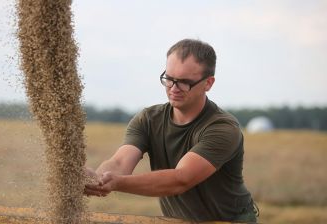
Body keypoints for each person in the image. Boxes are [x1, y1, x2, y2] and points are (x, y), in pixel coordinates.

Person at [84, 39, 258, 223]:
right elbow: (119, 163)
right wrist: (98, 179)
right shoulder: (148, 119)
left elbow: (181, 179)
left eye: (184, 82)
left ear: (208, 83)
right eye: (169, 79)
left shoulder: (222, 128)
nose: (173, 89)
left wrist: (116, 183)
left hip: (229, 220)